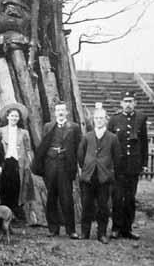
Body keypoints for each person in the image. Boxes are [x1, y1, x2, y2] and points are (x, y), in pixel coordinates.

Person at [33, 102, 81, 238]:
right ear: (55, 113)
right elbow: (44, 145)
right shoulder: (48, 126)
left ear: (67, 112)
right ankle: (53, 229)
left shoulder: (74, 127)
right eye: (58, 110)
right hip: (50, 165)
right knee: (51, 198)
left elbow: (78, 147)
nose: (60, 112)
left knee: (66, 198)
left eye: (63, 110)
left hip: (65, 166)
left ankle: (71, 230)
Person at [107, 90, 149, 240]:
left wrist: (143, 163)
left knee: (130, 198)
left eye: (131, 101)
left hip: (133, 166)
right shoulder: (114, 120)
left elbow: (144, 142)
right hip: (118, 167)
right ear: (121, 103)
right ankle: (116, 228)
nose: (128, 104)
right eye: (126, 101)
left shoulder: (141, 118)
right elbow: (109, 143)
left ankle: (127, 229)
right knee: (117, 198)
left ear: (135, 103)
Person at [78, 104, 121, 244]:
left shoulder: (113, 138)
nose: (99, 120)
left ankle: (102, 233)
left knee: (103, 206)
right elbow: (80, 155)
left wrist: (109, 172)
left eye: (101, 118)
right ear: (93, 120)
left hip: (104, 177)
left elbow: (117, 158)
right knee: (87, 204)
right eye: (96, 118)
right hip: (89, 176)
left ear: (106, 120)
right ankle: (85, 232)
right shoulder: (87, 136)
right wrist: (86, 167)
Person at [0, 103, 34, 223]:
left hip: (18, 164)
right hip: (5, 163)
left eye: (16, 117)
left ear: (19, 119)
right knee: (4, 187)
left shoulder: (23, 132)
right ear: (7, 117)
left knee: (16, 188)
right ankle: (3, 214)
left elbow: (28, 149)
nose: (14, 118)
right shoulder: (1, 131)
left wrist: (28, 163)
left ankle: (15, 214)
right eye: (12, 116)